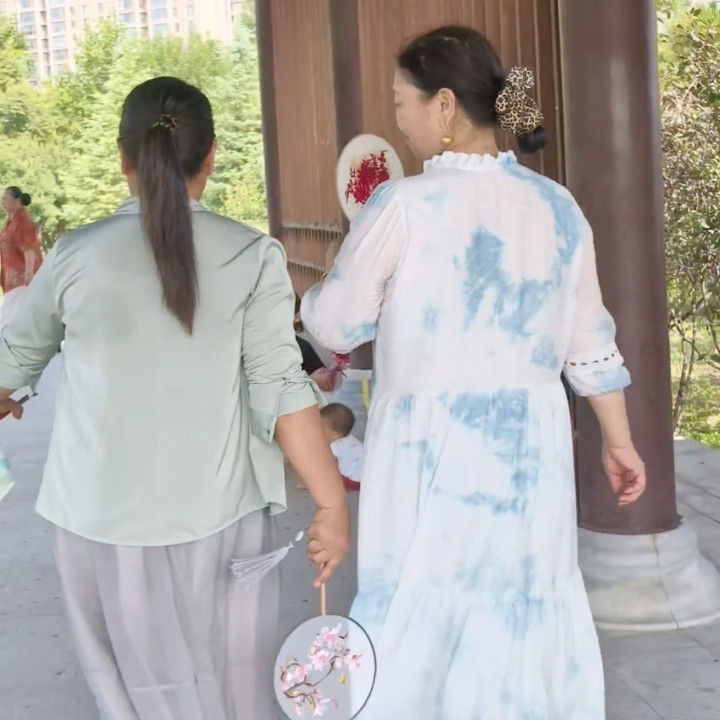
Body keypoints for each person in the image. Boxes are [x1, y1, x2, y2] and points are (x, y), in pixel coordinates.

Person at [301, 26, 646, 720]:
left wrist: (345, 261)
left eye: (402, 103)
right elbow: (589, 340)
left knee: (417, 609)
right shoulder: (558, 207)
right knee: (522, 611)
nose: (400, 121)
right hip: (529, 457)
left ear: (444, 105)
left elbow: (334, 325)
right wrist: (619, 440)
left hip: (430, 454)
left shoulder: (402, 206)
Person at [0, 77, 349, 720]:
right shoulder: (250, 255)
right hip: (221, 516)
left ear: (122, 157)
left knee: (129, 696)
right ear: (210, 156)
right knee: (231, 687)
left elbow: (13, 361)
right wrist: (331, 503)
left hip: (95, 521)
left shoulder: (75, 256)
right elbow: (282, 388)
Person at [0, 186, 42, 326]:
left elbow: (29, 249)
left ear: (17, 200)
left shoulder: (23, 222)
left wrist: (29, 273)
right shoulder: (11, 222)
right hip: (12, 279)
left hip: (22, 280)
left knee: (8, 321)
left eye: (6, 199)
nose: (3, 202)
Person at [321, 403, 364, 491]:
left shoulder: (334, 446)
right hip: (365, 478)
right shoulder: (352, 439)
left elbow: (327, 466)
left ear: (335, 434)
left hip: (351, 480)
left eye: (320, 429)